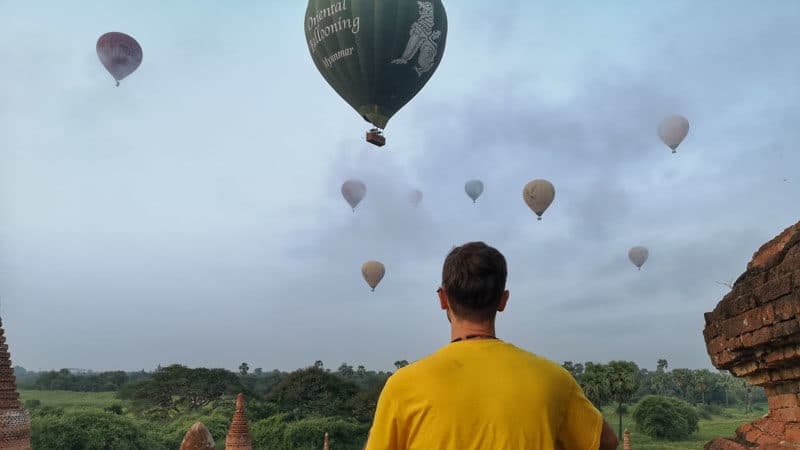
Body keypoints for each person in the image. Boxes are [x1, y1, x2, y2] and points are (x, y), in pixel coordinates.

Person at [363, 242, 618, 450]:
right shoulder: (554, 379)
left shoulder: (403, 385)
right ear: (503, 300)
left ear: (443, 298)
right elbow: (605, 442)